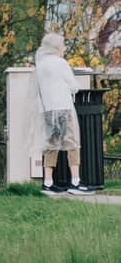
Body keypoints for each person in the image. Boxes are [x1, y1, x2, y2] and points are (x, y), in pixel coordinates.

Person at [33, 31, 87, 195]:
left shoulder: (40, 65)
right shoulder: (60, 63)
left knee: (51, 144)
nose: (64, 48)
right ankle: (75, 182)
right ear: (56, 47)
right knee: (72, 142)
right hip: (63, 107)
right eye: (62, 45)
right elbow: (73, 85)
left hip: (47, 110)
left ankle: (48, 183)